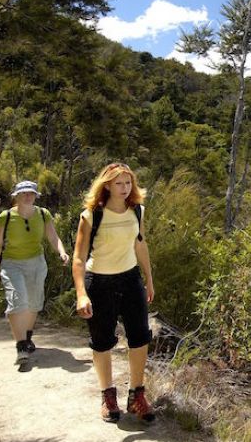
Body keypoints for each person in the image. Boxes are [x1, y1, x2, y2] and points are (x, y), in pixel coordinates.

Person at [72, 163, 156, 423]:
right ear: (106, 185)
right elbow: (78, 258)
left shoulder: (137, 211)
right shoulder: (91, 216)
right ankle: (108, 396)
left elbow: (140, 245)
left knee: (140, 337)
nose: (125, 188)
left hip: (131, 279)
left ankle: (137, 395)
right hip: (100, 282)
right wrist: (81, 293)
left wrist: (149, 280)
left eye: (128, 182)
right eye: (119, 183)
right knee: (102, 341)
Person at [0, 180, 70, 365]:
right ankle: (21, 346)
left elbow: (52, 236)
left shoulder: (43, 214)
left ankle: (27, 336)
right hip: (12, 264)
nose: (27, 196)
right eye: (23, 193)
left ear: (35, 196)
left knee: (34, 302)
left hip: (36, 263)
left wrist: (62, 252)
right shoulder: (6, 216)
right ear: (16, 196)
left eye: (31, 193)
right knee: (18, 299)